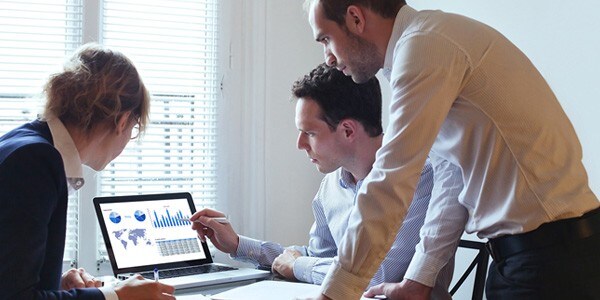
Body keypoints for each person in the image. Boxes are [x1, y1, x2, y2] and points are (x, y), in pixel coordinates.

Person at [303, 0, 600, 299]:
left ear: (355, 18)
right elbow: (451, 174)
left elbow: (391, 180)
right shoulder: (426, 43)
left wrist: (335, 293)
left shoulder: (424, 47)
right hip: (535, 258)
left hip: (549, 262)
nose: (327, 57)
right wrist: (419, 279)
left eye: (326, 39)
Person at [190, 63, 460, 299]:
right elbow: (317, 257)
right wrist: (238, 244)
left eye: (309, 133)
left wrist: (298, 266)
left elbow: (376, 276)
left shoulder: (420, 176)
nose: (299, 144)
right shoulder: (331, 188)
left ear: (347, 130)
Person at [0, 43, 175, 299]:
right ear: (123, 120)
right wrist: (115, 296)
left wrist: (56, 283)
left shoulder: (24, 143)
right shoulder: (36, 161)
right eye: (134, 128)